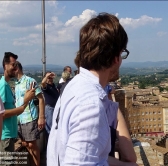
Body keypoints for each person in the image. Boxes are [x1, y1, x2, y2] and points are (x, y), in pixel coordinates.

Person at [47, 12, 136, 166]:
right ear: (116, 58)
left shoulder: (73, 86)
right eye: (122, 54)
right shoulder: (90, 104)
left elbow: (91, 156)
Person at [0, 52, 36, 166]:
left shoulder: (6, 85)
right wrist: (25, 102)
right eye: (13, 65)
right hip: (4, 137)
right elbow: (0, 114)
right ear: (5, 65)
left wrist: (25, 102)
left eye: (16, 65)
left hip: (8, 136)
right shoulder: (2, 86)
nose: (15, 68)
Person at [12, 61, 45, 166]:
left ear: (16, 69)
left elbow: (41, 99)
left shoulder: (30, 81)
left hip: (29, 117)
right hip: (19, 118)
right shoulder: (16, 83)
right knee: (25, 144)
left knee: (32, 144)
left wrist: (41, 117)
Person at [37, 71, 58, 166]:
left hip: (55, 109)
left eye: (51, 77)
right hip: (49, 109)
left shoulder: (53, 86)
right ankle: (49, 151)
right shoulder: (46, 87)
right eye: (49, 78)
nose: (50, 79)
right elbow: (42, 83)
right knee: (49, 131)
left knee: (55, 130)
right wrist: (46, 76)